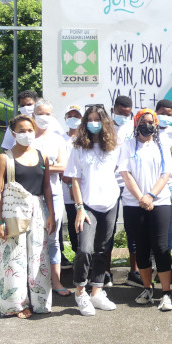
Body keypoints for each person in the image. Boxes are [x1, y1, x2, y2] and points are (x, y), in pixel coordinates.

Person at [0, 115, 55, 318]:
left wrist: (51, 214)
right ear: (13, 133)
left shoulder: (41, 156)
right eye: (21, 130)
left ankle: (40, 302)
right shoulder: (5, 158)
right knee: (13, 259)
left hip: (37, 210)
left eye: (30, 130)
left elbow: (46, 188)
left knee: (38, 257)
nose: (26, 134)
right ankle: (16, 305)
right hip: (13, 211)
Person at [63, 104, 121, 316]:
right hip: (87, 206)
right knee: (85, 249)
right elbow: (75, 180)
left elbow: (116, 171)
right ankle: (80, 292)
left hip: (110, 203)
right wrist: (79, 208)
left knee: (102, 250)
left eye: (98, 119)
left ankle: (97, 292)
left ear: (105, 122)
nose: (94, 123)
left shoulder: (114, 146)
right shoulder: (78, 147)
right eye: (90, 120)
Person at [119, 109, 172, 312]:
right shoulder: (127, 145)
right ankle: (147, 289)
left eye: (151, 121)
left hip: (159, 201)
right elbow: (125, 174)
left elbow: (165, 174)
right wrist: (140, 198)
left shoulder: (163, 145)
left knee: (161, 248)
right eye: (143, 121)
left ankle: (167, 294)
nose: (148, 125)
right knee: (141, 247)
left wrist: (150, 196)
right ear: (136, 123)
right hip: (134, 204)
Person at [31, 98, 70, 296]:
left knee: (53, 239)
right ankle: (34, 282)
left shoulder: (57, 139)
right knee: (32, 239)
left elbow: (64, 166)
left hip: (54, 195)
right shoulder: (28, 138)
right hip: (31, 195)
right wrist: (48, 168)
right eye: (40, 113)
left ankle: (56, 282)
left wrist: (41, 168)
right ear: (33, 115)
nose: (43, 117)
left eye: (47, 114)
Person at [107, 95, 135, 288]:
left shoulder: (135, 127)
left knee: (133, 227)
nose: (124, 117)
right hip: (109, 183)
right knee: (109, 228)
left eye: (127, 114)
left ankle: (134, 271)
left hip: (130, 182)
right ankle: (106, 271)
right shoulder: (104, 127)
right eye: (120, 113)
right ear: (113, 110)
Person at [155, 99, 172, 255]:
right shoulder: (148, 132)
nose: (165, 116)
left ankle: (166, 252)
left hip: (170, 183)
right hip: (151, 182)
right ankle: (153, 253)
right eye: (161, 113)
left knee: (167, 218)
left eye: (168, 114)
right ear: (156, 113)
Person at [60, 104, 83, 267]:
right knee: (73, 221)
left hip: (83, 190)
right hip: (65, 189)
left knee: (85, 224)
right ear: (65, 118)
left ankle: (85, 254)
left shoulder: (85, 140)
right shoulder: (60, 138)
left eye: (77, 116)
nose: (73, 119)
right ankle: (76, 254)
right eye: (70, 116)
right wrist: (68, 182)